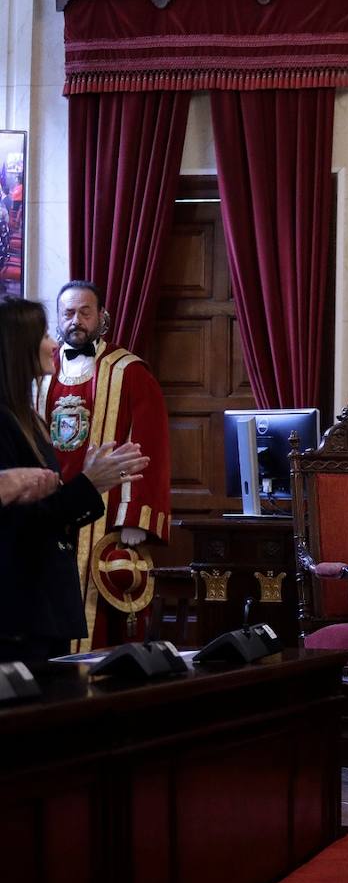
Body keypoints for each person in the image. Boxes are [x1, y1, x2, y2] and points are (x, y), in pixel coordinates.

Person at [0, 296, 148, 663]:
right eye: (45, 334)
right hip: (19, 607)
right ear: (18, 347)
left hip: (45, 605)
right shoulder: (3, 422)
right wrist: (87, 485)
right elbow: (19, 523)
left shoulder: (30, 421)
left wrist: (90, 484)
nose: (54, 344)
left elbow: (45, 511)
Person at [36, 280, 172, 648]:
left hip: (105, 515)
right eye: (68, 313)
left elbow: (149, 447)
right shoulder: (38, 374)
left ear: (101, 318)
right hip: (47, 513)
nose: (76, 320)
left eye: (85, 312)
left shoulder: (129, 372)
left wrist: (135, 519)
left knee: (99, 624)